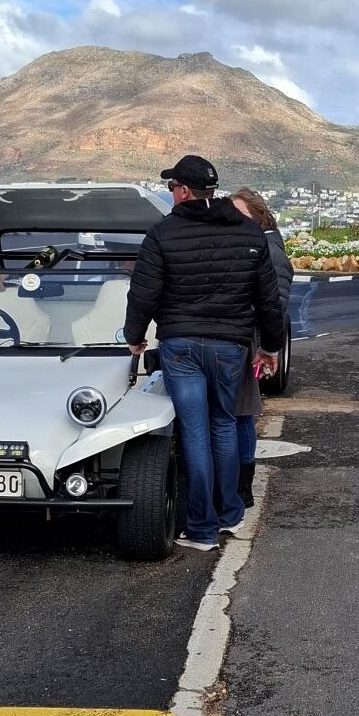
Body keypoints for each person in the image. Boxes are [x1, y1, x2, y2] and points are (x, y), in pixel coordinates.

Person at [124, 155, 285, 552]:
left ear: (182, 190)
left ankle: (201, 528)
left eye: (171, 188)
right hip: (229, 347)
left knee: (195, 432)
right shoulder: (249, 233)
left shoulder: (162, 234)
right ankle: (229, 513)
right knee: (224, 425)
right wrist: (269, 346)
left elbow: (143, 293)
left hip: (180, 346)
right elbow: (268, 300)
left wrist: (134, 337)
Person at [230, 187, 293, 507]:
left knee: (242, 414)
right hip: (246, 340)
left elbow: (276, 307)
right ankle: (241, 486)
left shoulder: (271, 253)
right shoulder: (259, 247)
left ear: (258, 217)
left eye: (240, 215)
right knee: (241, 413)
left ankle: (243, 488)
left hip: (251, 343)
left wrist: (268, 349)